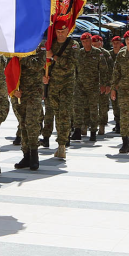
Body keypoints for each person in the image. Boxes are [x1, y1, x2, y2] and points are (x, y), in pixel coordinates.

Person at [43, 22, 78, 160]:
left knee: (64, 114)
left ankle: (62, 144)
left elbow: (71, 65)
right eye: (58, 31)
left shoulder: (73, 45)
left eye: (63, 31)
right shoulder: (50, 45)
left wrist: (54, 56)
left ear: (68, 30)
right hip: (53, 85)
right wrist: (43, 77)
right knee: (57, 114)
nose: (60, 34)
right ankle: (60, 142)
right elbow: (43, 64)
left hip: (66, 85)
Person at [12, 42, 46, 171]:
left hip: (34, 92)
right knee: (22, 123)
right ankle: (26, 155)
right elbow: (8, 67)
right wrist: (12, 89)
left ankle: (34, 155)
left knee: (32, 123)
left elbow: (38, 64)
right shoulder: (15, 45)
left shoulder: (41, 46)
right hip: (18, 91)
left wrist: (23, 57)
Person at [74, 32, 107, 143]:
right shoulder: (79, 53)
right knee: (78, 108)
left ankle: (93, 131)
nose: (86, 43)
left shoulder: (98, 53)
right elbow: (75, 69)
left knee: (93, 109)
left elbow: (103, 70)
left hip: (93, 86)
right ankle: (77, 130)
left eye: (87, 41)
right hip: (80, 85)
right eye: (83, 42)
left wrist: (104, 84)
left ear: (91, 41)